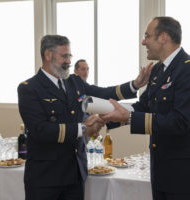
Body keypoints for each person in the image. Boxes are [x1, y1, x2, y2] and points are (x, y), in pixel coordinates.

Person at [17, 34, 153, 200]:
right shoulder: (30, 88)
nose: (68, 61)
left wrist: (134, 85)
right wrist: (83, 128)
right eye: (64, 56)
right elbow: (40, 130)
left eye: (69, 56)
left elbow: (102, 93)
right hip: (45, 178)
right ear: (48, 55)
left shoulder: (73, 82)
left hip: (74, 175)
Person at [101, 16, 190, 200]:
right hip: (161, 171)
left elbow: (179, 122)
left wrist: (127, 117)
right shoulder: (159, 70)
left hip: (185, 176)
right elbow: (144, 106)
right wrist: (109, 115)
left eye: (147, 36)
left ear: (163, 37)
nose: (143, 42)